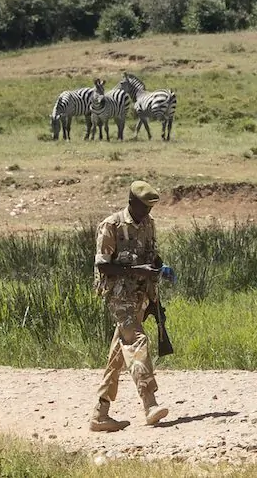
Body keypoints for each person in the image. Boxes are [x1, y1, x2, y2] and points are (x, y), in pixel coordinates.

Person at [92, 181, 171, 432]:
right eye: (143, 208)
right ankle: (150, 403)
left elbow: (151, 257)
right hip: (118, 296)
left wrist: (155, 288)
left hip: (139, 295)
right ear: (131, 202)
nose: (147, 213)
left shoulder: (148, 225)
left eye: (150, 209)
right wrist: (136, 270)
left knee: (118, 354)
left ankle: (100, 414)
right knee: (137, 341)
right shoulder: (111, 225)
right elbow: (103, 265)